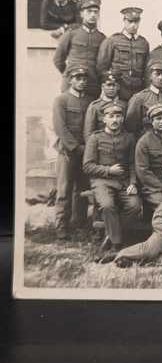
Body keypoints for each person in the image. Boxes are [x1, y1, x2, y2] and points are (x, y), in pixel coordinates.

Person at [83, 102, 142, 263]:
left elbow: (132, 164)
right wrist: (108, 171)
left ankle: (112, 235)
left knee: (135, 206)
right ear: (104, 119)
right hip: (101, 181)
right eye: (111, 116)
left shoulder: (129, 138)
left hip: (123, 182)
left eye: (118, 116)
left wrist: (133, 183)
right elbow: (87, 166)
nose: (115, 119)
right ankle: (117, 245)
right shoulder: (95, 138)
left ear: (122, 118)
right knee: (108, 205)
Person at [52, 66, 94, 239]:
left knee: (82, 189)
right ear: (70, 80)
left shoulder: (90, 101)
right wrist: (76, 147)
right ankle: (61, 225)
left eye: (84, 79)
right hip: (68, 152)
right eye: (78, 78)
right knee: (64, 189)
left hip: (86, 152)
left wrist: (89, 149)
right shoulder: (61, 100)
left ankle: (80, 223)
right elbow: (59, 127)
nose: (81, 82)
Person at [53, 0, 105, 97]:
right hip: (72, 82)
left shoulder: (101, 38)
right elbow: (58, 59)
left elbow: (103, 63)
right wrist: (68, 74)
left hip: (92, 83)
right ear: (82, 14)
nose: (93, 15)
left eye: (95, 12)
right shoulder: (72, 34)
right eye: (89, 11)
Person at [97, 7, 150, 101]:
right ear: (124, 21)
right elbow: (102, 67)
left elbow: (146, 71)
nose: (133, 25)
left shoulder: (143, 43)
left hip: (137, 90)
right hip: (118, 90)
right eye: (130, 22)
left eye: (136, 22)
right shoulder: (113, 41)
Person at [124, 59, 162, 137]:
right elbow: (130, 125)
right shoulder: (139, 98)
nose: (161, 78)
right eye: (157, 74)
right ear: (150, 75)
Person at [83, 70, 127, 142]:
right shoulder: (95, 106)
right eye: (108, 85)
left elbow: (127, 129)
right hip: (100, 145)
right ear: (102, 87)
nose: (111, 88)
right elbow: (88, 133)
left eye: (114, 85)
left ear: (118, 87)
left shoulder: (124, 105)